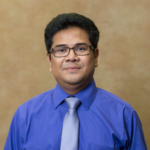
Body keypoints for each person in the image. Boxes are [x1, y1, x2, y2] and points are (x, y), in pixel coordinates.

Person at [4, 13, 147, 150]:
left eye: (80, 48)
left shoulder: (124, 115)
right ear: (49, 60)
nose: (71, 57)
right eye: (61, 50)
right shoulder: (24, 116)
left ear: (95, 56)